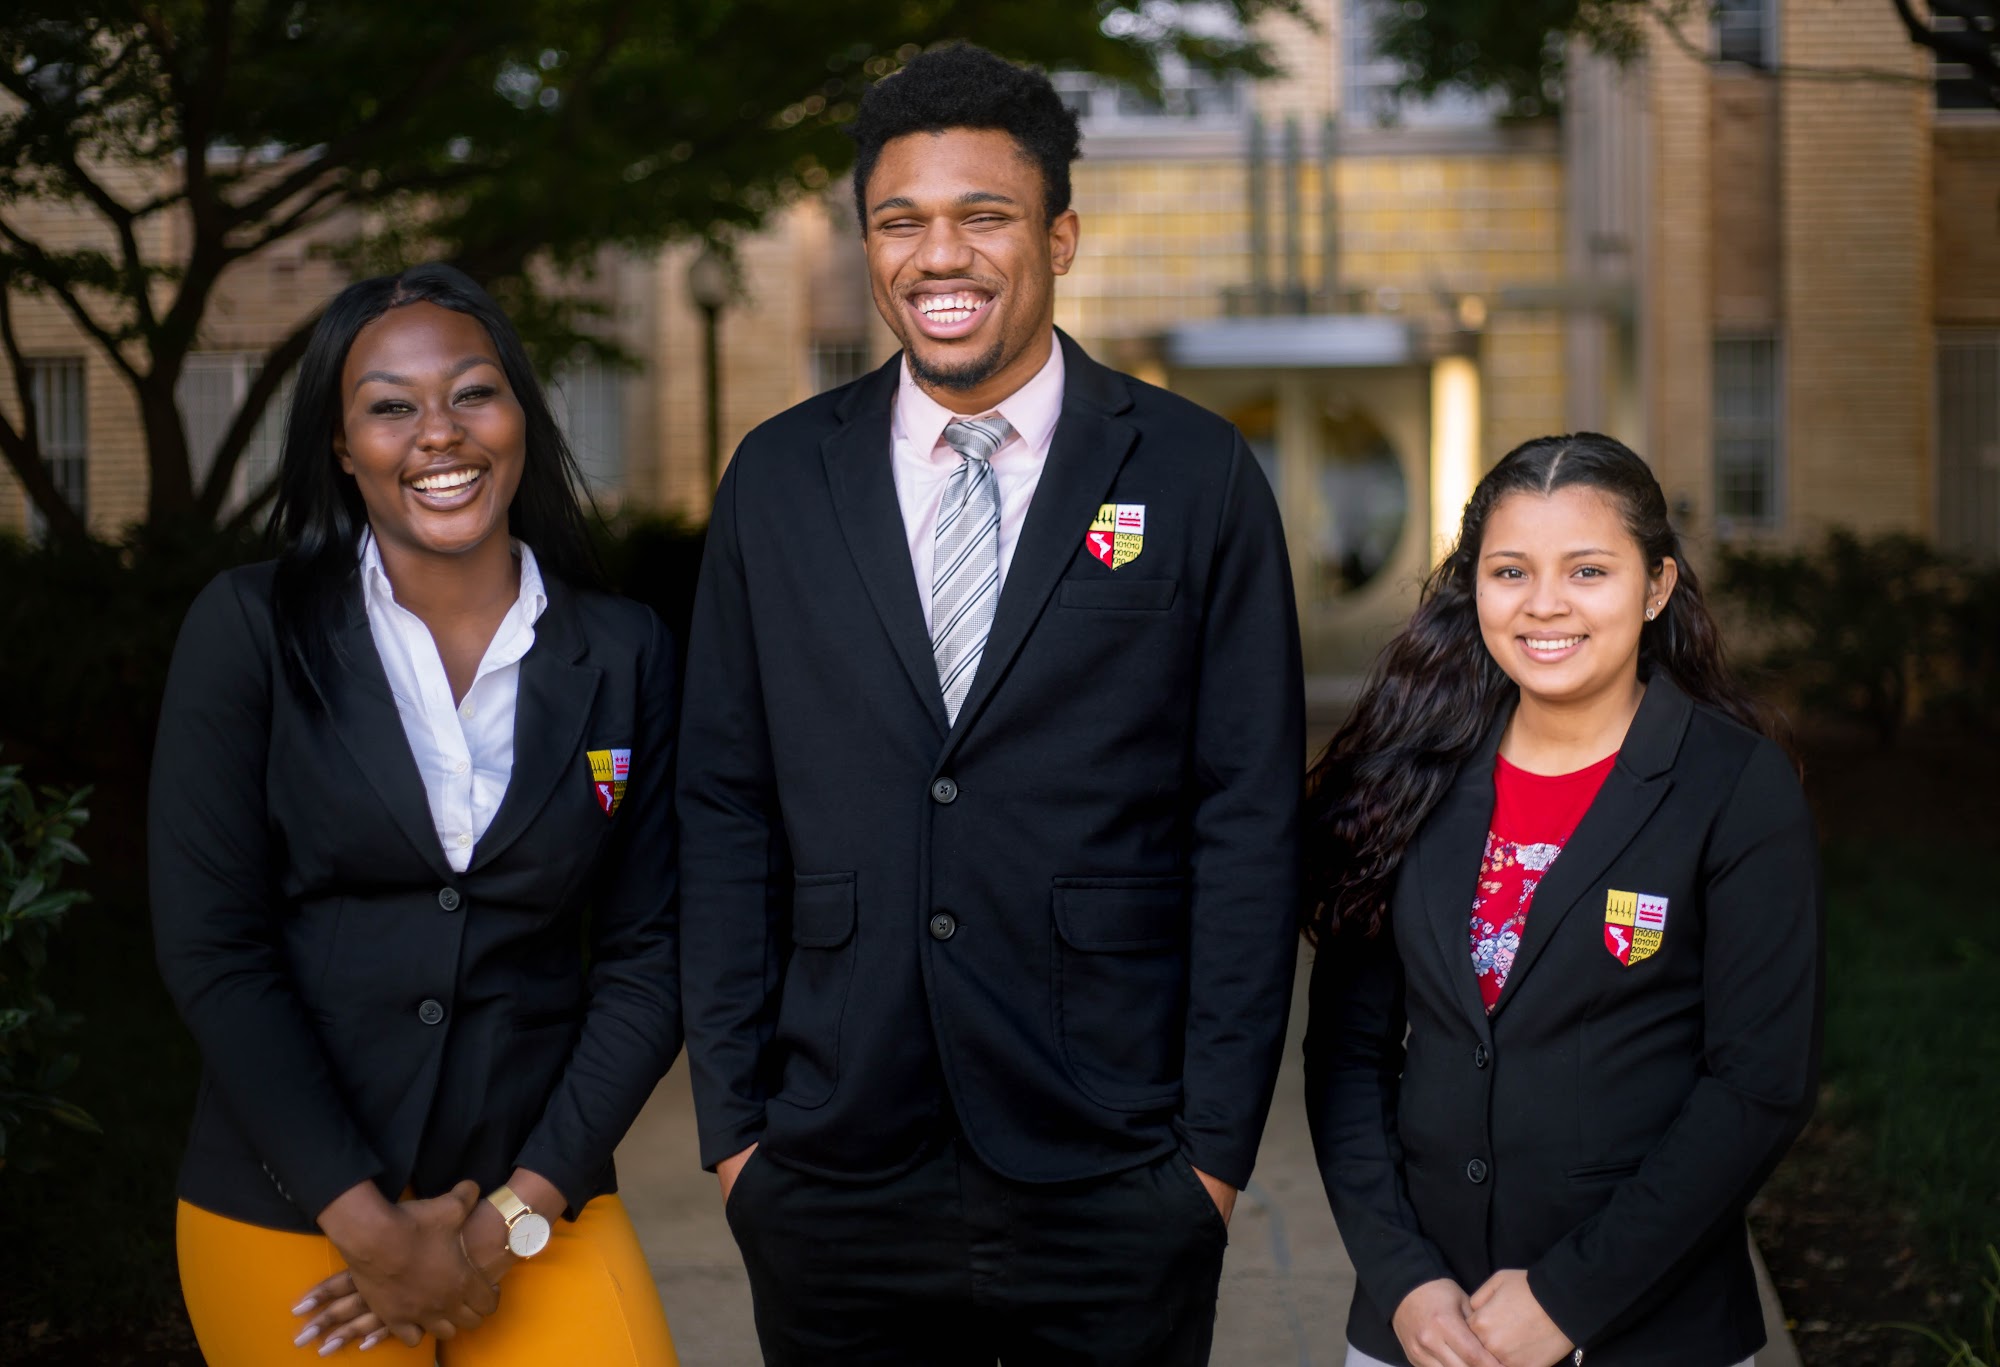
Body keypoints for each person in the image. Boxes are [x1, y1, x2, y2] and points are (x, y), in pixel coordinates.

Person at [677, 42, 1304, 1366]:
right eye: (899, 221)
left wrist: (1211, 1154)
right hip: (833, 1158)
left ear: (1058, 236)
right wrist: (735, 1132)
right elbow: (724, 803)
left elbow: (1248, 819)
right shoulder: (776, 479)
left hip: (1113, 1154)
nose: (938, 256)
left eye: (983, 215)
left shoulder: (1193, 473)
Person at [150, 263, 682, 1365]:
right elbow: (215, 945)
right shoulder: (249, 629)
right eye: (391, 406)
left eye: (473, 392)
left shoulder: (626, 650)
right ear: (342, 447)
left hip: (535, 1200)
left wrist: (510, 1218)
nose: (439, 432)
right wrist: (369, 1228)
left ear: (522, 416)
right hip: (294, 1203)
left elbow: (651, 955)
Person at [1301, 433, 1822, 1367]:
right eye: (1511, 571)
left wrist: (1567, 1297)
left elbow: (1757, 1086)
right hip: (1423, 1326)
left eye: (1588, 570)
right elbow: (1347, 1054)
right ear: (1474, 585)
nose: (1544, 604)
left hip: (1654, 1330)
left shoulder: (1733, 785)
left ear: (1657, 586)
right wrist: (1402, 1278)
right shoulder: (1409, 774)